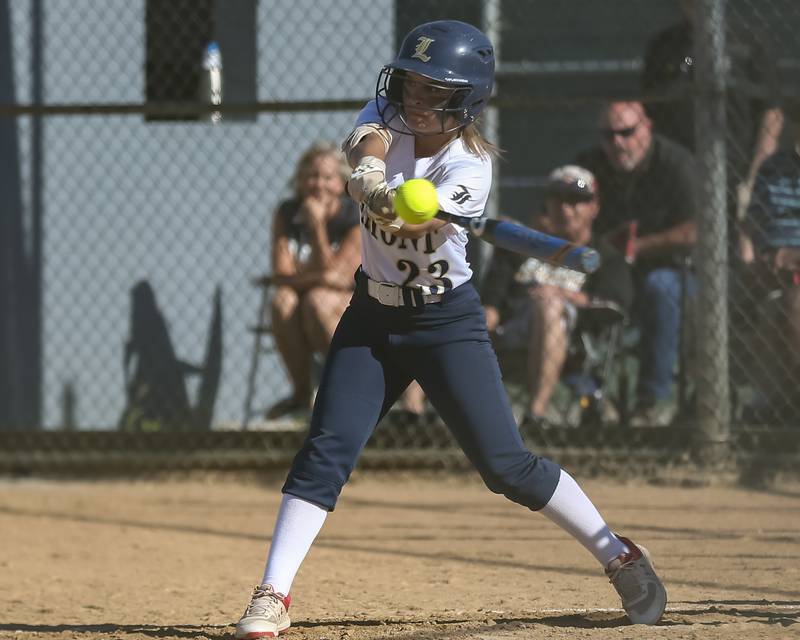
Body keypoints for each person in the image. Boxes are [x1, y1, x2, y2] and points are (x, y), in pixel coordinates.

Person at [235, 21, 667, 638]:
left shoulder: (470, 169)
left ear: (465, 101)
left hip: (445, 322)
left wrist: (394, 205)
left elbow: (412, 229)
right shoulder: (392, 113)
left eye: (433, 91)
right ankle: (273, 592)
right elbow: (367, 137)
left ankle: (618, 554)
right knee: (325, 451)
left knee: (506, 468)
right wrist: (368, 173)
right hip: (373, 315)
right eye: (411, 83)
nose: (414, 98)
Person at [575, 101, 697, 427]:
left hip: (669, 266)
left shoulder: (675, 163)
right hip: (606, 265)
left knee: (662, 288)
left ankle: (650, 400)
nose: (618, 143)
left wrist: (637, 247)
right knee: (575, 290)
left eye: (627, 133)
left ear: (647, 128)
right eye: (609, 135)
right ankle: (591, 397)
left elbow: (696, 229)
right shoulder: (590, 165)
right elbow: (556, 212)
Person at [482, 165, 634, 426]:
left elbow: (614, 305)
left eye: (577, 200)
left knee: (550, 305)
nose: (566, 208)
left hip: (572, 344)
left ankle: (535, 415)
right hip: (512, 333)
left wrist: (562, 295)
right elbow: (491, 303)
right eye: (558, 199)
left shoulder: (604, 258)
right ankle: (413, 413)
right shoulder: (520, 247)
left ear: (594, 207)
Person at [642, 0, 783, 231]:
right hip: (681, 174)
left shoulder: (748, 44)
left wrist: (755, 178)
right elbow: (649, 113)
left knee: (737, 244)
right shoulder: (666, 47)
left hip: (736, 170)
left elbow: (772, 113)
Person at [265, 142, 362, 419]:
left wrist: (316, 227)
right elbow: (281, 274)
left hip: (353, 304)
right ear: (298, 181)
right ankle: (301, 393)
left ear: (341, 182)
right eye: (310, 176)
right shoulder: (287, 212)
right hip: (312, 299)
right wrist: (321, 277)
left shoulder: (353, 214)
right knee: (284, 301)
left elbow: (342, 278)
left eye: (327, 177)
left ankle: (348, 391)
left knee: (316, 301)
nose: (317, 185)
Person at [738, 98, 800, 422]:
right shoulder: (773, 168)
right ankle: (776, 403)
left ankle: (789, 403)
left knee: (793, 301)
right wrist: (751, 264)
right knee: (771, 307)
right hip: (771, 274)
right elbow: (749, 228)